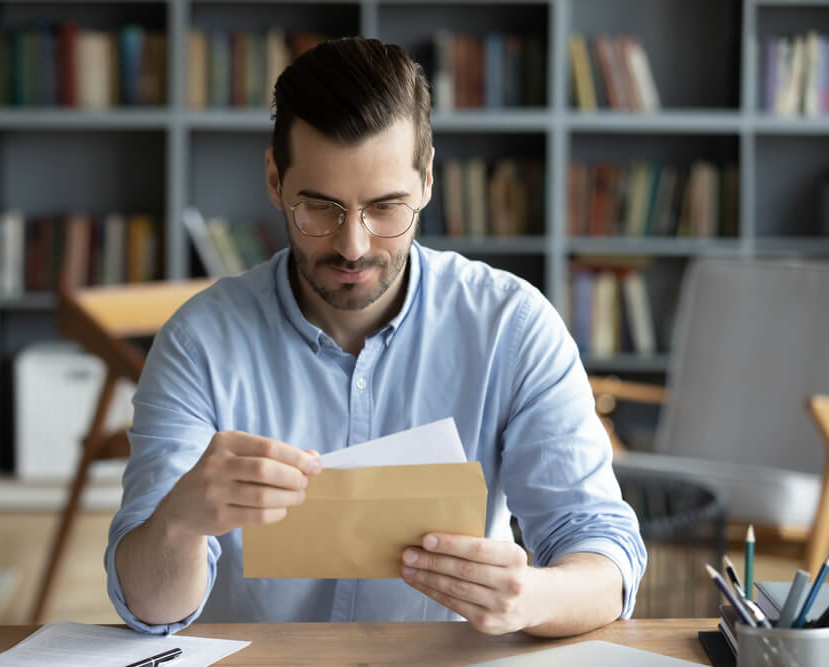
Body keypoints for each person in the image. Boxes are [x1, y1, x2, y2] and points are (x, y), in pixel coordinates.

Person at [107, 36, 646, 638]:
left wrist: (533, 597)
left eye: (387, 208)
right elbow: (149, 608)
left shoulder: (511, 328)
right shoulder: (198, 342)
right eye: (320, 207)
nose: (353, 245)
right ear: (274, 179)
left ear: (428, 181)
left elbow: (604, 551)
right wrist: (180, 523)